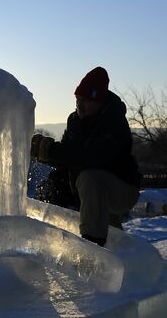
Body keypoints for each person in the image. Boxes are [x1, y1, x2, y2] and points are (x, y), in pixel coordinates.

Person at [31, 66, 141, 246]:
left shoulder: (114, 122)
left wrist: (50, 150)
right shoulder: (75, 120)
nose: (79, 106)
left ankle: (93, 248)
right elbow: (68, 158)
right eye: (77, 100)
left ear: (99, 101)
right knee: (58, 179)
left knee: (89, 178)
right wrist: (45, 154)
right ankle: (43, 238)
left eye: (85, 100)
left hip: (123, 190)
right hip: (96, 189)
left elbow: (92, 157)